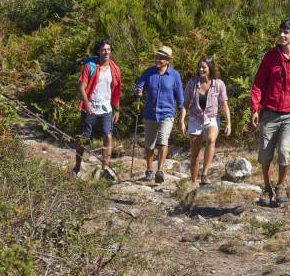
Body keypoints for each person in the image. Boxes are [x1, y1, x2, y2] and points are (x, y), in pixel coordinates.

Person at [250, 19, 290, 206]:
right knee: (265, 155)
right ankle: (267, 188)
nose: (282, 35)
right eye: (281, 32)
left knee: (285, 152)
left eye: (286, 32)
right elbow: (258, 84)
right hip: (269, 113)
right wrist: (255, 108)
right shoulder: (270, 57)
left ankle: (281, 186)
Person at [133, 45, 184, 184]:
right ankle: (149, 170)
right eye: (157, 56)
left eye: (161, 57)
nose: (158, 59)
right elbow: (138, 86)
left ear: (167, 60)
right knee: (149, 145)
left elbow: (180, 98)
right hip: (150, 113)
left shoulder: (174, 75)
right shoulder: (148, 72)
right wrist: (138, 90)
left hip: (167, 113)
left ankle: (160, 170)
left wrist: (181, 118)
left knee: (163, 140)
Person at [72, 39, 121, 179]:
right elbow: (81, 87)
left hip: (106, 109)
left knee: (108, 135)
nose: (106, 52)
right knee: (84, 138)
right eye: (103, 50)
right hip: (90, 108)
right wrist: (86, 103)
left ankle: (105, 167)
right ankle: (77, 166)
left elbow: (116, 91)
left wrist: (117, 109)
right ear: (98, 51)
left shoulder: (115, 69)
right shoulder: (90, 66)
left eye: (108, 49)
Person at [179, 56, 231, 185]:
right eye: (199, 67)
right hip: (195, 118)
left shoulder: (219, 84)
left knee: (211, 139)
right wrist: (181, 121)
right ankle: (193, 181)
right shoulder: (192, 83)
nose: (201, 69)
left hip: (211, 118)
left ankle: (205, 174)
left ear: (210, 68)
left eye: (204, 67)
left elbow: (224, 105)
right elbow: (185, 104)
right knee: (195, 155)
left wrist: (228, 123)